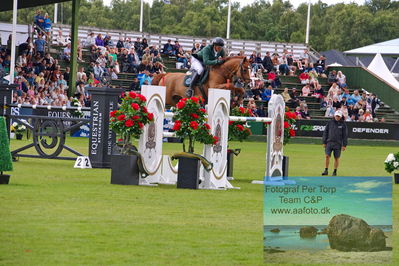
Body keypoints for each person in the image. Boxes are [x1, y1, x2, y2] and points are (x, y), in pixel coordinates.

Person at [322, 110, 348, 176]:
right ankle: (326, 170)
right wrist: (324, 142)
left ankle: (335, 171)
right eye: (336, 116)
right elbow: (325, 132)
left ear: (341, 116)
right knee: (327, 156)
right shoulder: (330, 122)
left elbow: (345, 135)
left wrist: (344, 145)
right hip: (329, 142)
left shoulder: (343, 124)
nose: (337, 117)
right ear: (334, 115)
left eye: (338, 116)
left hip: (338, 144)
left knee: (336, 158)